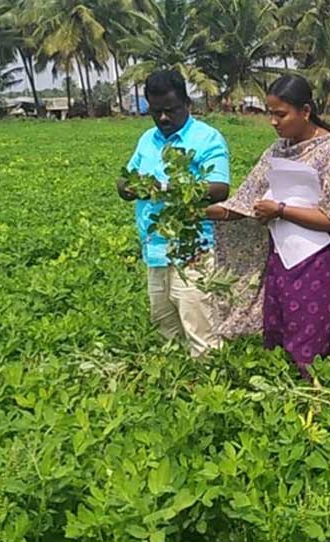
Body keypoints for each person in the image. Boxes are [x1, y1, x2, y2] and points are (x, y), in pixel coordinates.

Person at [206, 74, 330, 379]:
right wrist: (196, 211)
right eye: (271, 114)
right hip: (280, 261)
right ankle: (281, 403)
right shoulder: (277, 151)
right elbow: (243, 202)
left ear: (305, 112)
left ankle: (311, 404)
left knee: (308, 342)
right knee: (277, 337)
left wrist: (280, 210)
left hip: (316, 263)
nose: (274, 122)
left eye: (281, 114)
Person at [116, 69, 230, 357]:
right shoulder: (147, 139)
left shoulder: (207, 138)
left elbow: (219, 188)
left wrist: (163, 186)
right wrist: (127, 187)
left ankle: (211, 384)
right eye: (156, 112)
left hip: (193, 247)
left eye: (171, 110)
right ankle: (178, 382)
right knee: (165, 321)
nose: (164, 118)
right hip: (154, 247)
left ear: (187, 104)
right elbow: (126, 178)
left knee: (199, 322)